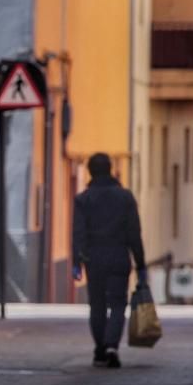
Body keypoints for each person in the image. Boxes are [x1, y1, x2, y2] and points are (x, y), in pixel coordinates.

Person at [72, 152, 147, 369]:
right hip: (118, 257)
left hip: (93, 259)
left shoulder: (83, 199)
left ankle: (100, 350)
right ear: (111, 170)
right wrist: (141, 263)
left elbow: (79, 232)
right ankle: (112, 345)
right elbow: (134, 232)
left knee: (97, 305)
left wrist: (77, 262)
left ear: (90, 172)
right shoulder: (125, 197)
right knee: (117, 304)